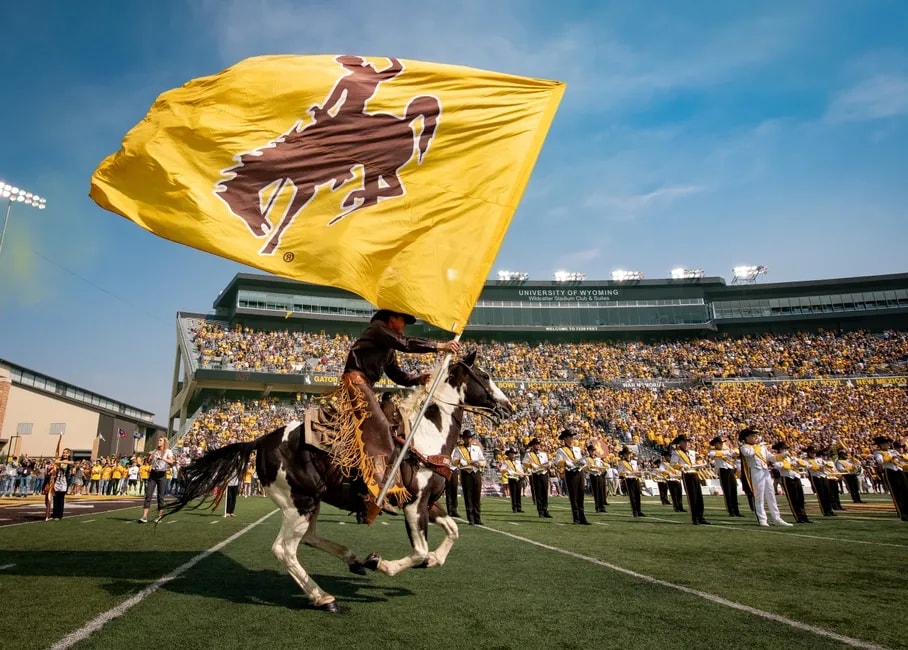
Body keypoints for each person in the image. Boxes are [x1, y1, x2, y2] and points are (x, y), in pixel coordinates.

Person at [342, 309, 461, 520]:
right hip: (355, 381)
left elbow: (397, 375)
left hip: (365, 384)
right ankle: (372, 488)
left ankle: (382, 478)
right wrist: (439, 346)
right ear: (391, 319)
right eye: (402, 320)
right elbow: (405, 343)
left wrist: (418, 379)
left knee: (389, 418)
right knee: (378, 424)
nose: (404, 324)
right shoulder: (378, 329)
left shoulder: (387, 347)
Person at [738, 428, 792, 527]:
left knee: (771, 495)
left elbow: (770, 457)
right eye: (752, 436)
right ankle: (762, 519)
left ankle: (777, 518)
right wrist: (758, 446)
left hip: (765, 471)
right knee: (759, 496)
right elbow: (748, 453)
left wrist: (781, 456)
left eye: (755, 436)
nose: (755, 437)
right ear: (746, 438)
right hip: (755, 471)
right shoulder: (744, 447)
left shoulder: (761, 447)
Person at [671, 434, 710, 525]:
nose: (687, 443)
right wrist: (682, 466)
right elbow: (673, 464)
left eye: (687, 441)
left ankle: (701, 516)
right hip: (687, 474)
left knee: (699, 496)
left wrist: (701, 464)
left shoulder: (692, 452)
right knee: (692, 496)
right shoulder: (676, 452)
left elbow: (695, 463)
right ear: (680, 443)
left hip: (695, 473)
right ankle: (695, 518)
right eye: (684, 442)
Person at [554, 430, 589, 525]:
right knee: (573, 495)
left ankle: (582, 517)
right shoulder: (561, 450)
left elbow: (580, 458)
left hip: (579, 472)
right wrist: (566, 463)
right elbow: (557, 462)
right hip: (570, 473)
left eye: (572, 437)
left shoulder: (577, 448)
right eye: (570, 437)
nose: (572, 439)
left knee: (581, 494)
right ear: (565, 438)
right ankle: (576, 518)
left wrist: (583, 462)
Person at [771, 440, 811, 524]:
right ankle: (798, 517)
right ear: (780, 449)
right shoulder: (777, 456)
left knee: (800, 498)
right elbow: (778, 466)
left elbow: (804, 464)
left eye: (786, 448)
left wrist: (797, 463)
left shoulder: (790, 457)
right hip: (787, 478)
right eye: (784, 448)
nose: (785, 450)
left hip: (796, 476)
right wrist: (790, 464)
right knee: (793, 499)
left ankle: (804, 516)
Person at [451, 430, 485, 525]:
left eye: (469, 438)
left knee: (477, 496)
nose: (468, 439)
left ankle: (477, 517)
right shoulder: (458, 449)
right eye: (466, 438)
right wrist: (464, 461)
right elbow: (454, 461)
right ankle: (471, 518)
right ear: (463, 439)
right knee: (468, 496)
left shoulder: (476, 448)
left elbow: (483, 460)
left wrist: (479, 463)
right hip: (466, 473)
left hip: (476, 472)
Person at [873, 436, 908, 521]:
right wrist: (891, 458)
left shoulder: (892, 451)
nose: (888, 444)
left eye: (888, 442)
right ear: (881, 444)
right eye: (886, 443)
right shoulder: (878, 452)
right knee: (896, 493)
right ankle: (902, 514)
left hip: (899, 470)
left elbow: (902, 458)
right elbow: (880, 461)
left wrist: (901, 457)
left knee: (906, 491)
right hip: (890, 472)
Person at [140, 436, 174, 523]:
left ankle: (159, 517)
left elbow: (171, 461)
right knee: (148, 495)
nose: (158, 442)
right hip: (153, 473)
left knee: (160, 496)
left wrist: (162, 458)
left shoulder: (168, 451)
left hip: (162, 475)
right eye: (158, 440)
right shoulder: (155, 451)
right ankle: (144, 516)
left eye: (160, 440)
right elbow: (149, 461)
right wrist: (149, 456)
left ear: (164, 442)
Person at [709, 436, 743, 517]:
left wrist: (735, 452)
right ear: (716, 444)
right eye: (720, 443)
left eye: (722, 443)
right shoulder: (713, 451)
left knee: (733, 490)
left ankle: (736, 510)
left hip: (730, 470)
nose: (721, 444)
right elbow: (713, 455)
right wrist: (728, 452)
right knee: (727, 491)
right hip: (723, 470)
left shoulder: (726, 451)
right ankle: (731, 511)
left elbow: (734, 455)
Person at [522, 437, 552, 518]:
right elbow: (524, 463)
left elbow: (547, 462)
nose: (538, 446)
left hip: (544, 473)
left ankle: (546, 510)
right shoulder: (529, 454)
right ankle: (540, 511)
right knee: (538, 493)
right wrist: (531, 465)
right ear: (533, 445)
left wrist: (549, 465)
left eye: (539, 444)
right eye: (536, 444)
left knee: (545, 493)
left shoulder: (543, 454)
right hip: (536, 474)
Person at [803, 445, 834, 517]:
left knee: (828, 493)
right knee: (821, 494)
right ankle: (825, 511)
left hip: (823, 476)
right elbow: (809, 467)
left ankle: (830, 510)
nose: (813, 454)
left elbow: (827, 464)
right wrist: (820, 467)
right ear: (808, 453)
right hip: (816, 477)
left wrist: (825, 465)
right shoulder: (806, 460)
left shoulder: (819, 459)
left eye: (814, 452)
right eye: (812, 452)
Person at [617, 446, 645, 518]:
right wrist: (628, 473)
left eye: (629, 453)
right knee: (632, 496)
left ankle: (639, 511)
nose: (629, 455)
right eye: (627, 454)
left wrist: (639, 473)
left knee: (638, 495)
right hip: (629, 479)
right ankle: (634, 511)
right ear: (624, 455)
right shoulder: (622, 462)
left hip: (636, 479)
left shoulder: (634, 462)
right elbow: (619, 472)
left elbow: (636, 470)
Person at [48, 449, 74, 520]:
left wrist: (58, 461)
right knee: (55, 498)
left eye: (66, 453)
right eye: (63, 453)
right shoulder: (59, 461)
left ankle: (59, 515)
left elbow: (71, 463)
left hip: (64, 482)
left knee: (61, 498)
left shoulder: (69, 461)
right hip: (57, 481)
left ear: (69, 454)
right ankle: (54, 514)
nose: (64, 454)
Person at [499, 448, 525, 513]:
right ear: (509, 454)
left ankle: (519, 507)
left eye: (514, 453)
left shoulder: (517, 461)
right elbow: (502, 469)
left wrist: (522, 474)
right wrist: (507, 470)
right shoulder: (506, 461)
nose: (513, 455)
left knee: (518, 493)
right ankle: (514, 508)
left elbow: (520, 469)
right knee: (513, 493)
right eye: (512, 453)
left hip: (518, 478)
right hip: (511, 478)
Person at [586, 444, 608, 513]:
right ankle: (597, 507)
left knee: (601, 490)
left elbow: (602, 465)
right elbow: (587, 468)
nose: (593, 452)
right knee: (596, 491)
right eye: (592, 451)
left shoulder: (598, 458)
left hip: (599, 475)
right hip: (593, 475)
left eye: (594, 450)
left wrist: (603, 469)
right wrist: (593, 469)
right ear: (589, 451)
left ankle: (602, 507)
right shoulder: (587, 459)